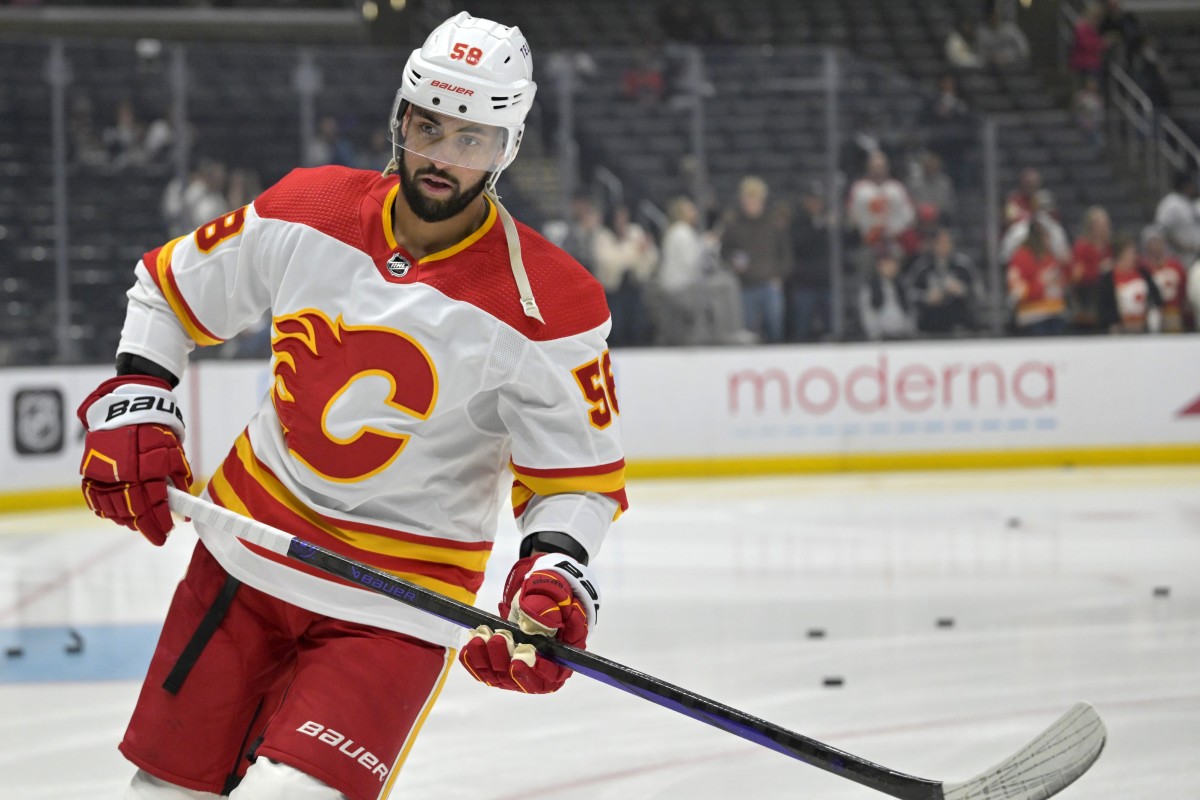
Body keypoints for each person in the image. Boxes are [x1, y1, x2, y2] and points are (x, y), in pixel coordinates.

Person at [77, 13, 626, 800]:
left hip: (395, 606)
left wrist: (557, 565)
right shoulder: (310, 208)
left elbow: (576, 476)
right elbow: (164, 292)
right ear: (400, 117)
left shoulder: (552, 303)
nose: (441, 157)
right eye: (428, 126)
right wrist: (137, 394)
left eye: (470, 139)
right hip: (244, 556)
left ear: (505, 148)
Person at [720, 175, 791, 344]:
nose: (751, 203)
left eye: (755, 199)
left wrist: (779, 275)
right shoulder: (734, 226)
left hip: (769, 285)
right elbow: (724, 252)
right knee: (747, 332)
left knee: (775, 327)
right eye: (748, 199)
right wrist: (733, 264)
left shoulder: (773, 225)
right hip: (745, 286)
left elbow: (786, 255)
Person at [593, 203, 658, 346]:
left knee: (637, 321)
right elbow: (609, 261)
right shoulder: (603, 236)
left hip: (634, 284)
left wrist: (638, 251)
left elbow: (651, 257)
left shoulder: (634, 232)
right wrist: (635, 251)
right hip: (613, 288)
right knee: (617, 323)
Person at [906, 227, 981, 335]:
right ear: (933, 244)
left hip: (960, 325)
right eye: (940, 242)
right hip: (929, 325)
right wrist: (925, 297)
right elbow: (909, 292)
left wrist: (962, 290)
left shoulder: (963, 265)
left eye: (947, 242)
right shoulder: (922, 266)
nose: (944, 246)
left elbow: (979, 292)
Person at [787, 183, 833, 342]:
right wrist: (819, 227)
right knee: (802, 329)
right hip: (804, 283)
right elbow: (799, 244)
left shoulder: (829, 223)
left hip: (826, 281)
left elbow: (846, 242)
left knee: (831, 329)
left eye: (818, 200)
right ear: (805, 201)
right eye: (812, 200)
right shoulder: (797, 222)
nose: (815, 204)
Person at [1007, 220, 1068, 336]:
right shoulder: (1020, 258)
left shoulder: (1049, 256)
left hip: (1055, 312)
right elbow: (1017, 293)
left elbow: (1061, 284)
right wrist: (1042, 283)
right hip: (1033, 317)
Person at [1097, 234, 1163, 333]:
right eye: (1130, 253)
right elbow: (1103, 306)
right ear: (1120, 254)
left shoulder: (1143, 273)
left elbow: (1156, 297)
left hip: (1143, 327)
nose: (1134, 256)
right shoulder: (1108, 279)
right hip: (1120, 329)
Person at [1067, 205, 1113, 332]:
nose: (1104, 227)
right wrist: (1100, 270)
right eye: (1099, 224)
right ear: (1090, 226)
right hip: (1088, 299)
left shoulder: (1110, 247)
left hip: (1107, 301)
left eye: (1105, 223)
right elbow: (1077, 276)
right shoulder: (1082, 247)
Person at [1140, 225, 1190, 332]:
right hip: (1154, 313)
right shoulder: (1144, 267)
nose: (1155, 246)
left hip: (1174, 312)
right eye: (1152, 243)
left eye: (1157, 242)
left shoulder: (1175, 265)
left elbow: (1183, 288)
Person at [858, 250, 913, 340]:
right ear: (879, 266)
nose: (891, 267)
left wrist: (909, 331)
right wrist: (875, 335)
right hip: (881, 338)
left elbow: (910, 311)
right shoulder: (870, 288)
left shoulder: (902, 287)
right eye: (887, 264)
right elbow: (868, 314)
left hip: (903, 337)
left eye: (894, 264)